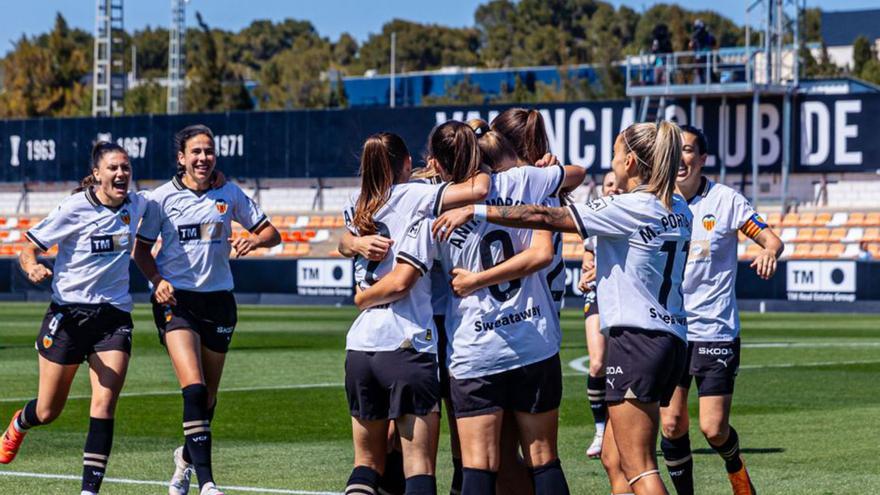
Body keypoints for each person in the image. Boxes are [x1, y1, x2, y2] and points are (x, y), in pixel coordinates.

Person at [436, 120, 692, 495]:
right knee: (612, 458)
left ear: (633, 163)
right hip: (671, 337)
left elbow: (544, 217)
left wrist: (477, 210)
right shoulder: (678, 204)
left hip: (636, 338)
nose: (612, 163)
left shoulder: (629, 206)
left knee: (640, 467)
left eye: (617, 156)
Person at [427, 120, 585, 495]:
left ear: (439, 165)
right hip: (534, 339)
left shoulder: (436, 200)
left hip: (476, 347)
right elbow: (576, 176)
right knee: (544, 458)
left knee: (478, 466)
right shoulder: (528, 179)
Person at [337, 128, 492, 495]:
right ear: (408, 163)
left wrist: (354, 242)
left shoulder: (358, 203)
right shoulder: (417, 198)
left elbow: (342, 241)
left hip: (361, 344)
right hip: (410, 339)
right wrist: (482, 162)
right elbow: (478, 190)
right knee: (422, 463)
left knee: (367, 463)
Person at [133, 124, 281, 495]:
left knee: (209, 397)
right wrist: (157, 281)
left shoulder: (228, 193)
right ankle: (207, 482)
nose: (203, 158)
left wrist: (254, 239)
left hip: (219, 302)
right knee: (195, 389)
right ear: (181, 158)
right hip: (177, 301)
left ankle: (183, 459)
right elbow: (140, 250)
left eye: (208, 151)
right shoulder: (160, 199)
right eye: (195, 152)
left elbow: (271, 233)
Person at [0, 142, 148, 495]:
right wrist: (32, 266)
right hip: (68, 317)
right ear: (97, 174)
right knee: (49, 410)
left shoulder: (139, 204)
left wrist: (210, 175)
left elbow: (176, 191)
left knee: (104, 402)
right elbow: (28, 246)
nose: (121, 174)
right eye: (113, 168)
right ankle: (19, 424)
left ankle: (89, 491)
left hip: (113, 318)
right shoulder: (74, 207)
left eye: (125, 167)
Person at [659, 125, 783, 495]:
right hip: (673, 329)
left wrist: (767, 251)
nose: (681, 159)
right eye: (675, 151)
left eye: (688, 151)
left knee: (713, 429)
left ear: (702, 159)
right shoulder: (657, 201)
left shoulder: (726, 201)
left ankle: (736, 467)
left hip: (715, 329)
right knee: (672, 424)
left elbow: (770, 238)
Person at [577, 170, 619, 460]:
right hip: (598, 296)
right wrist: (585, 275)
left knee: (621, 368)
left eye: (617, 184)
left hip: (624, 298)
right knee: (597, 363)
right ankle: (601, 429)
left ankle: (621, 430)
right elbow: (587, 259)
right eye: (608, 184)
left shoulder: (631, 214)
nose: (613, 189)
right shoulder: (594, 220)